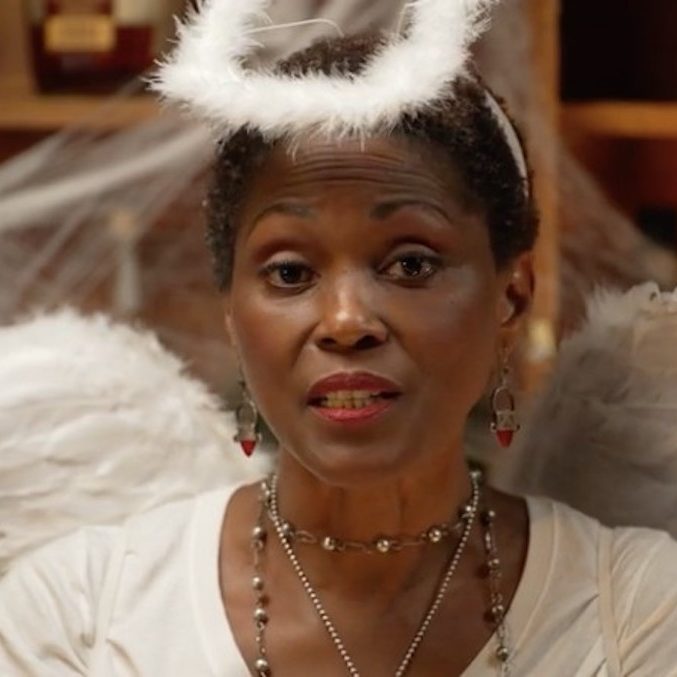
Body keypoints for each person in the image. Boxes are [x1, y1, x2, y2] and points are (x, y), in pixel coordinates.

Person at [2, 1, 677, 675]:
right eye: (290, 272)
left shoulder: (632, 610)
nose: (347, 321)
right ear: (232, 314)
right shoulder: (82, 612)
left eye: (410, 264)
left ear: (512, 295)